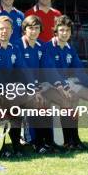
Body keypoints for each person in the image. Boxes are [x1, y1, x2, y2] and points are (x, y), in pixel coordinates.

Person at [42, 15, 88, 149]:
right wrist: (65, 87)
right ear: (55, 31)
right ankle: (69, 141)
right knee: (70, 98)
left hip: (66, 83)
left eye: (67, 30)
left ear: (71, 32)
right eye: (61, 30)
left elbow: (79, 71)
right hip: (49, 84)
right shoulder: (47, 47)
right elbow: (50, 72)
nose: (64, 33)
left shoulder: (70, 49)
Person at [0, 16, 40, 157]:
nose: (4, 32)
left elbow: (24, 69)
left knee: (20, 104)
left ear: (12, 31)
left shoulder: (14, 49)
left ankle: (17, 144)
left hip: (8, 90)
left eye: (7, 29)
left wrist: (33, 89)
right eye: (1, 29)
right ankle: (0, 146)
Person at [18, 15, 69, 154]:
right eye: (30, 28)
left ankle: (49, 141)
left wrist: (60, 86)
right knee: (37, 101)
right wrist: (34, 88)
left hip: (37, 86)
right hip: (20, 86)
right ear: (24, 30)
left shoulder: (41, 46)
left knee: (50, 98)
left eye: (36, 28)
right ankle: (36, 142)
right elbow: (22, 71)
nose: (33, 31)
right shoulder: (17, 46)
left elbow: (49, 68)